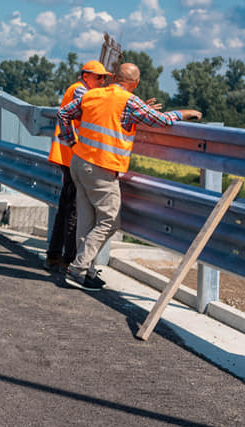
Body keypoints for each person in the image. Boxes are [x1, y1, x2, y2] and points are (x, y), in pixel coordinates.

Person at [56, 62, 201, 291]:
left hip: (79, 162)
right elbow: (161, 121)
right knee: (109, 222)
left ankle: (86, 271)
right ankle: (78, 268)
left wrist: (71, 140)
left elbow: (63, 113)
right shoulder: (129, 101)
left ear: (114, 78)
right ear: (135, 83)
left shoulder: (95, 95)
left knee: (87, 220)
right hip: (101, 168)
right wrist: (185, 113)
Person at [45, 61, 111, 275]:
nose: (102, 82)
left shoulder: (81, 89)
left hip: (70, 155)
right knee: (74, 208)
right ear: (86, 76)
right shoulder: (80, 90)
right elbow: (92, 109)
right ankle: (68, 259)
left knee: (67, 207)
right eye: (99, 78)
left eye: (104, 79)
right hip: (71, 155)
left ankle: (55, 256)